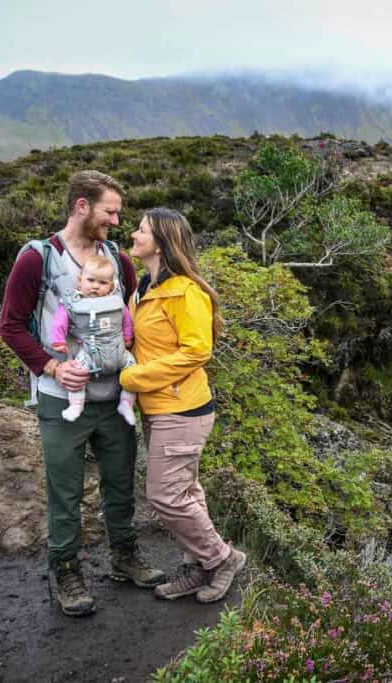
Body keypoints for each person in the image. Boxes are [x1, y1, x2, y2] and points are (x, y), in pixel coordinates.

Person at [0, 170, 165, 618]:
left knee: (119, 483)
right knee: (65, 489)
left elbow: (128, 327)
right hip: (60, 399)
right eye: (110, 211)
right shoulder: (38, 259)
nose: (116, 221)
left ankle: (125, 557)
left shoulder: (118, 261)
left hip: (115, 398)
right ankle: (67, 570)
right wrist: (52, 366)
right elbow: (11, 326)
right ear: (81, 207)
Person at [120, 207, 246, 603]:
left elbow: (197, 351)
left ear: (161, 241)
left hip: (183, 410)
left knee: (165, 496)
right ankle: (200, 566)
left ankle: (221, 559)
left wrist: (132, 378)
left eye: (141, 230)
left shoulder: (186, 292)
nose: (134, 234)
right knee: (186, 492)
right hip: (158, 408)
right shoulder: (144, 287)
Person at [47, 254, 137, 425]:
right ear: (80, 280)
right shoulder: (74, 302)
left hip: (119, 352)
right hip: (89, 352)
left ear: (111, 285)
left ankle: (126, 404)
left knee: (132, 372)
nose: (95, 286)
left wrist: (127, 337)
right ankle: (76, 405)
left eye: (103, 283)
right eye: (91, 280)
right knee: (77, 372)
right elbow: (61, 320)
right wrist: (58, 340)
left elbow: (126, 320)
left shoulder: (115, 301)